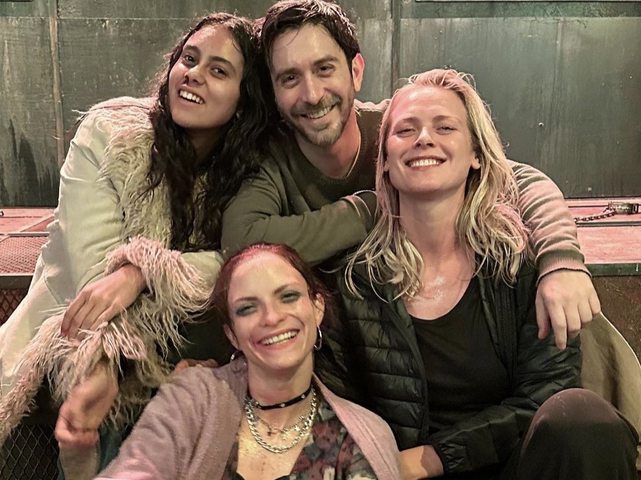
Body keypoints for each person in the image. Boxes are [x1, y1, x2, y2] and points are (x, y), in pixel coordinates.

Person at [221, 0, 600, 351]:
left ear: (356, 71)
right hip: (349, 337)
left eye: (324, 69)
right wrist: (373, 209)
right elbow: (241, 243)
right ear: (273, 90)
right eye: (290, 78)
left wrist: (561, 262)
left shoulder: (399, 130)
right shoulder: (270, 158)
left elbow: (520, 181)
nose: (312, 94)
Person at [316, 68, 639, 479]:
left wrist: (435, 457)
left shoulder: (519, 264)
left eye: (444, 127)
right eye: (405, 130)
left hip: (512, 470)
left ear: (476, 155)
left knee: (583, 418)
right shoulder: (353, 281)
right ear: (385, 164)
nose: (423, 139)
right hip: (395, 474)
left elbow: (546, 393)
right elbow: (340, 411)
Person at [0, 11, 271, 471]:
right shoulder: (109, 137)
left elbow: (242, 259)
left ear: (244, 101)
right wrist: (118, 364)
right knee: (106, 392)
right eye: (189, 59)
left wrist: (143, 271)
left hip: (185, 350)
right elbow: (94, 288)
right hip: (73, 334)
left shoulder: (247, 167)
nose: (194, 74)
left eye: (218, 70)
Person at [73, 243, 401, 479]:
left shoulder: (364, 437)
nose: (271, 317)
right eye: (247, 308)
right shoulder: (195, 398)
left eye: (288, 296)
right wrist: (79, 450)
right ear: (232, 334)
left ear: (317, 308)